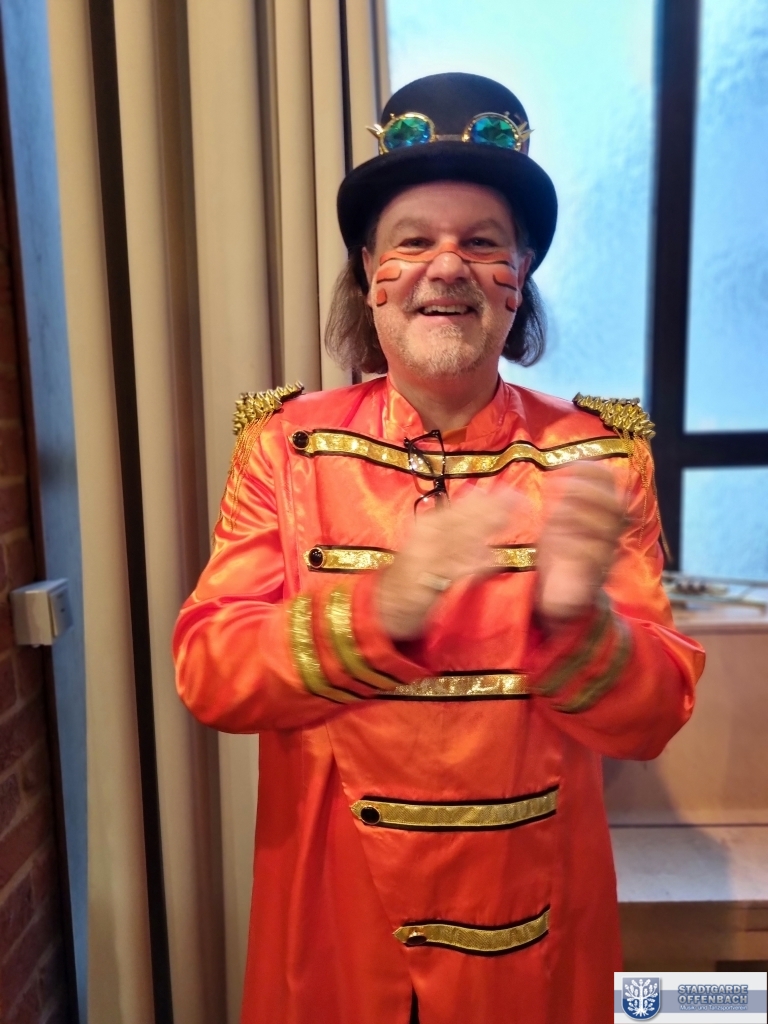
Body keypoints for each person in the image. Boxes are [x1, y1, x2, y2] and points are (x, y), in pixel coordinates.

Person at [173, 73, 705, 1024]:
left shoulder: (600, 454)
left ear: (520, 274)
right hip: (337, 926)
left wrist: (577, 627)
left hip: (533, 930)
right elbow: (211, 675)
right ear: (367, 272)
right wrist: (380, 612)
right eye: (413, 241)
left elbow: (655, 713)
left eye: (484, 242)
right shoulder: (286, 446)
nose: (448, 266)